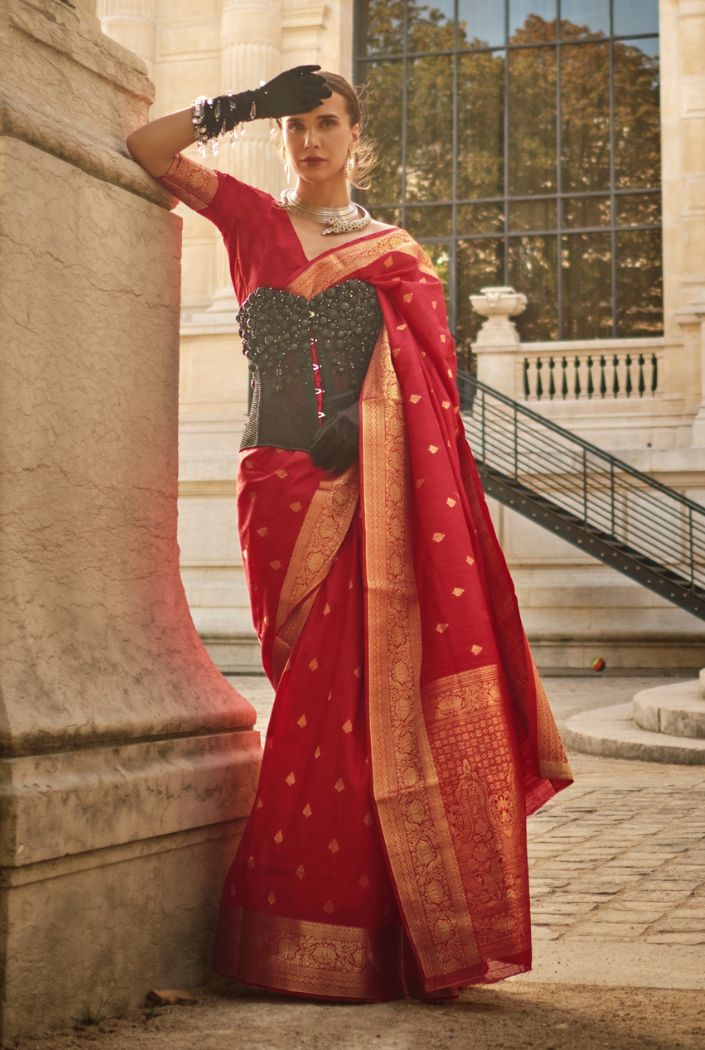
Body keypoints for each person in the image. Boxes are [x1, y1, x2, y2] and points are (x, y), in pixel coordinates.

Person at [126, 65, 574, 1004]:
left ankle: (370, 932)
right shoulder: (250, 219)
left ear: (354, 135)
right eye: (294, 126)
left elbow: (433, 394)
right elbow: (149, 149)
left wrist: (365, 430)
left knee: (355, 709)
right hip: (276, 489)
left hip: (362, 490)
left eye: (324, 123)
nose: (308, 141)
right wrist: (239, 105)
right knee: (304, 689)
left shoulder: (395, 253)